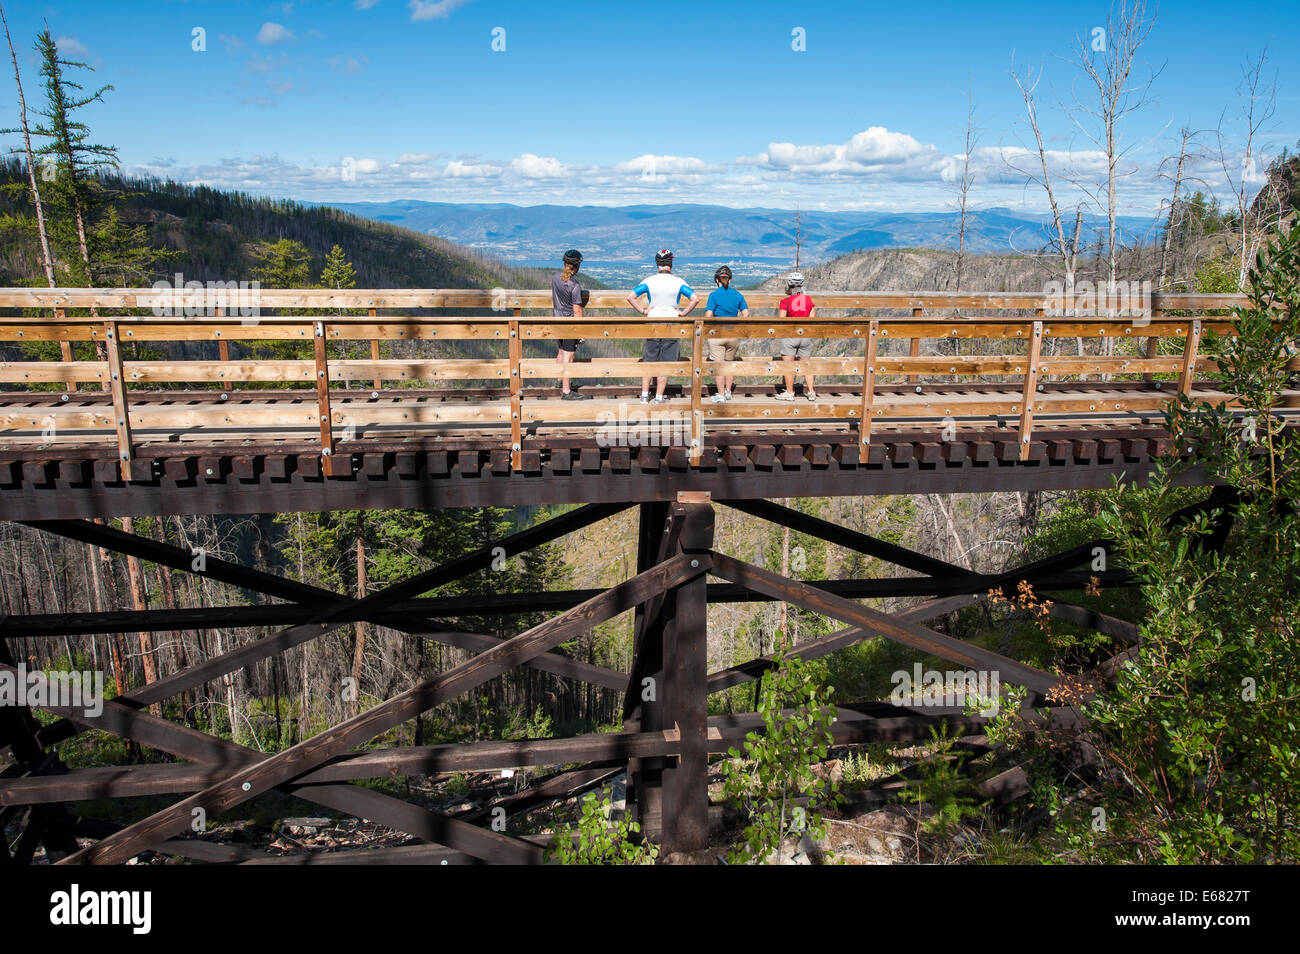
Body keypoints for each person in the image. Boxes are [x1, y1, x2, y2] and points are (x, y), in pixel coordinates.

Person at [625, 249, 698, 404]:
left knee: (649, 359)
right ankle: (658, 397)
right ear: (670, 263)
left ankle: (644, 395)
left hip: (652, 322)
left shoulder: (649, 281)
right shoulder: (678, 282)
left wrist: (644, 311)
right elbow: (695, 299)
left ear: (657, 263)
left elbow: (630, 297)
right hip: (672, 322)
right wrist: (683, 313)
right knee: (666, 360)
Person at [704, 265, 748, 402]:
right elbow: (746, 313)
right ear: (729, 280)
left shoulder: (714, 295)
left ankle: (721, 394)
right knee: (729, 363)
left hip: (718, 334)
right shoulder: (737, 295)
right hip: (733, 334)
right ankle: (728, 391)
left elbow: (709, 315)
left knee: (719, 365)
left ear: (717, 280)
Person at [551, 249, 589, 400]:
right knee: (569, 355)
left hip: (556, 320)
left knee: (561, 352)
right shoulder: (574, 285)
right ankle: (566, 391)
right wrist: (580, 331)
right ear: (577, 266)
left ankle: (559, 382)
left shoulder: (555, 278)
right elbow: (577, 310)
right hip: (569, 324)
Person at [775, 271, 817, 401]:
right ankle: (811, 391)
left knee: (789, 366)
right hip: (805, 336)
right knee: (806, 365)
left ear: (789, 285)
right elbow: (812, 318)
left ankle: (789, 392)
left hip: (790, 335)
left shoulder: (785, 301)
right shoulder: (808, 300)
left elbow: (781, 320)